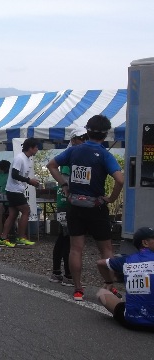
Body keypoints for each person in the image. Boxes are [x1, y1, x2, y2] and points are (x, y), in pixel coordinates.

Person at [47, 115, 124, 301]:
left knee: (76, 249)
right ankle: (109, 285)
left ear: (87, 131)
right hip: (97, 206)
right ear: (105, 135)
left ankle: (78, 289)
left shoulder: (74, 150)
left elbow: (51, 165)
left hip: (75, 206)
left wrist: (64, 185)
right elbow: (120, 179)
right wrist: (111, 198)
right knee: (106, 249)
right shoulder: (105, 154)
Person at [96, 227, 154, 331]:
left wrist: (109, 281)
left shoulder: (127, 260)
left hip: (132, 321)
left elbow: (100, 263)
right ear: (145, 243)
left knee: (102, 293)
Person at [49, 127, 86, 286]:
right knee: (68, 238)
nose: (83, 140)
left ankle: (57, 273)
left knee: (64, 237)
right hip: (66, 203)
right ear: (73, 140)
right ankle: (67, 275)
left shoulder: (75, 154)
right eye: (80, 138)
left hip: (69, 202)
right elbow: (66, 181)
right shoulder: (70, 156)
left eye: (85, 137)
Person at [0, 138, 40, 248]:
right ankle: (21, 238)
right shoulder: (19, 158)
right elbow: (14, 175)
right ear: (30, 148)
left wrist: (31, 182)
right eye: (36, 147)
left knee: (13, 214)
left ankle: (3, 238)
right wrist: (29, 181)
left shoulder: (27, 159)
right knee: (26, 210)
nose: (37, 149)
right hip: (14, 190)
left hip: (16, 189)